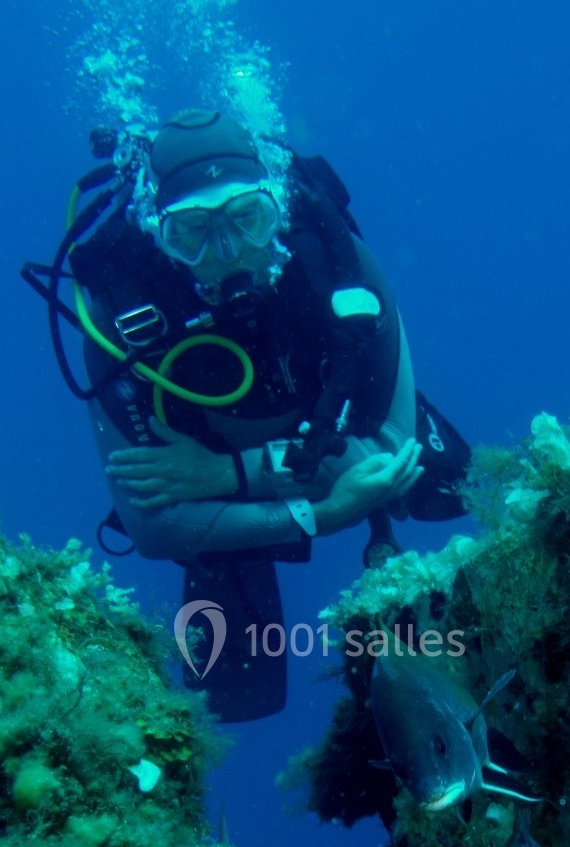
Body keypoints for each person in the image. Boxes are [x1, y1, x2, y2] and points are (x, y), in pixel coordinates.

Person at [24, 108, 470, 719]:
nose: (228, 252)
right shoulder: (120, 317)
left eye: (248, 218)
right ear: (157, 230)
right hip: (302, 474)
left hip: (294, 444)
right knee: (235, 687)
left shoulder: (338, 265)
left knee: (448, 486)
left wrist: (228, 474)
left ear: (278, 210)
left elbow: (392, 446)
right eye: (192, 232)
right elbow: (152, 527)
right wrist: (318, 513)